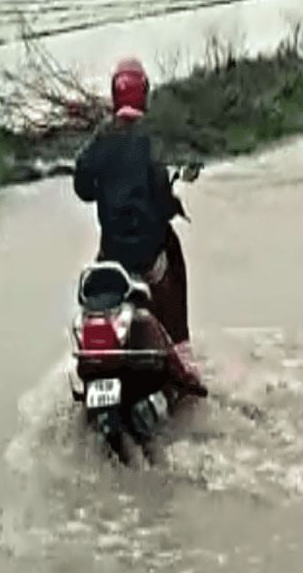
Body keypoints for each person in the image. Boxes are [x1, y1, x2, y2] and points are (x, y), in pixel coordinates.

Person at [73, 59, 206, 397]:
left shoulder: (102, 136)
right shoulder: (152, 138)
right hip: (148, 256)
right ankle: (182, 349)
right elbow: (161, 195)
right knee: (173, 258)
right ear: (143, 93)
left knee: (99, 284)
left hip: (114, 252)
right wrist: (169, 205)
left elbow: (82, 186)